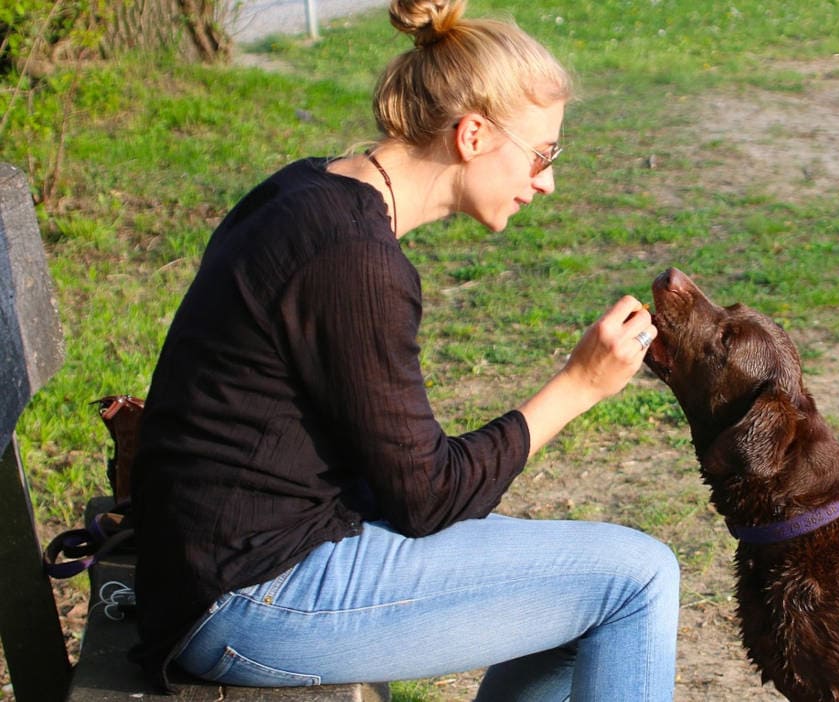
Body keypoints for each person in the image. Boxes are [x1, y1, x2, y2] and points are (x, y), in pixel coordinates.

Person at [128, 0, 679, 699]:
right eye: (543, 154)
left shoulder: (310, 189)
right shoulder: (355, 261)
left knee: (581, 579)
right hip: (247, 595)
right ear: (473, 135)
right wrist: (580, 384)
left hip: (220, 563)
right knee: (638, 578)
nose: (547, 181)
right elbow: (427, 498)